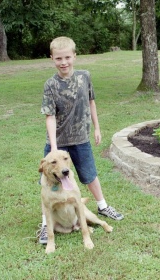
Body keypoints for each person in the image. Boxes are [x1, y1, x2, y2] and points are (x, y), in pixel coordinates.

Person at [37, 36, 124, 245]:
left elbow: (91, 102)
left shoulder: (85, 77)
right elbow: (50, 116)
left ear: (74, 56)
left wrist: (97, 127)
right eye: (58, 58)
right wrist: (55, 148)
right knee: (47, 181)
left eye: (67, 57)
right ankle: (44, 223)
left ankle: (102, 206)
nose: (63, 62)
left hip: (81, 139)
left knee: (89, 175)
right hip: (57, 142)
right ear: (52, 59)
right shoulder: (50, 84)